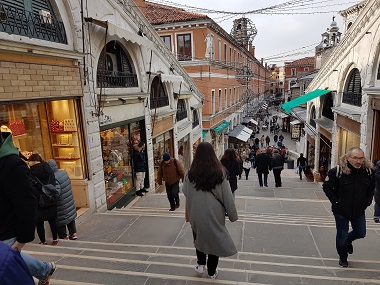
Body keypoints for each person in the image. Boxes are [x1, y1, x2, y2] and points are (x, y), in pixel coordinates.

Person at [0, 128, 56, 285]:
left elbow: (27, 202)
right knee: (9, 258)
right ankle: (44, 270)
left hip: (8, 228)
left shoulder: (12, 164)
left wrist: (21, 240)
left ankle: (44, 270)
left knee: (10, 261)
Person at [182, 142, 238, 279]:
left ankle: (201, 265)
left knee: (199, 236)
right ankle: (212, 272)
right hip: (215, 214)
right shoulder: (221, 173)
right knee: (214, 240)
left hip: (196, 213)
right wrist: (232, 215)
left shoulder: (190, 173)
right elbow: (228, 197)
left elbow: (185, 191)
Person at [323, 147, 375, 268]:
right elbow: (327, 187)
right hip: (341, 211)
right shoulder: (337, 171)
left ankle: (348, 241)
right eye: (355, 158)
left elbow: (372, 187)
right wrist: (336, 202)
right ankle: (343, 257)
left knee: (361, 233)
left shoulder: (368, 171)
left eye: (361, 158)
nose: (358, 161)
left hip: (359, 210)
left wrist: (367, 201)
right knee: (342, 235)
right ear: (348, 158)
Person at [28, 153, 60, 246]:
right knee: (52, 221)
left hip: (38, 201)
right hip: (51, 198)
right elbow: (53, 183)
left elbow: (32, 189)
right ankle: (55, 239)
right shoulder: (49, 170)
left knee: (39, 223)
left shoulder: (31, 173)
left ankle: (43, 241)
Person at [47, 159, 78, 240]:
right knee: (71, 219)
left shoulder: (54, 178)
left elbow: (56, 192)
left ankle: (64, 236)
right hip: (69, 200)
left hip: (61, 203)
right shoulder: (63, 173)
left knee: (61, 221)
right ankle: (73, 234)